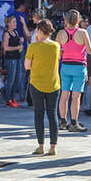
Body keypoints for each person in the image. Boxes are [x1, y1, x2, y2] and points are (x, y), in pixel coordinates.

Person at [24, 19, 61, 156]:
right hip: (53, 83)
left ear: (39, 31)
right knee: (52, 114)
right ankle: (53, 147)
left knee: (38, 114)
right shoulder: (56, 46)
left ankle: (40, 145)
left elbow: (27, 66)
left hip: (37, 83)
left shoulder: (33, 47)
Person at [55, 9, 91, 132]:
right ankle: (74, 122)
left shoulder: (61, 33)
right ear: (78, 20)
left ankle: (62, 121)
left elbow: (56, 50)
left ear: (66, 20)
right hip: (79, 66)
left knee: (64, 95)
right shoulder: (82, 32)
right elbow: (90, 50)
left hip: (65, 66)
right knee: (76, 96)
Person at [1, 15, 24, 107]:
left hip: (17, 58)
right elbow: (5, 47)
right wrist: (18, 47)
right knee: (11, 79)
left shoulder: (16, 32)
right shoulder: (6, 34)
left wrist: (20, 44)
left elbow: (18, 45)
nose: (15, 24)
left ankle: (12, 97)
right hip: (10, 59)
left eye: (15, 22)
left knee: (17, 79)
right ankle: (8, 99)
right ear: (8, 23)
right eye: (13, 22)